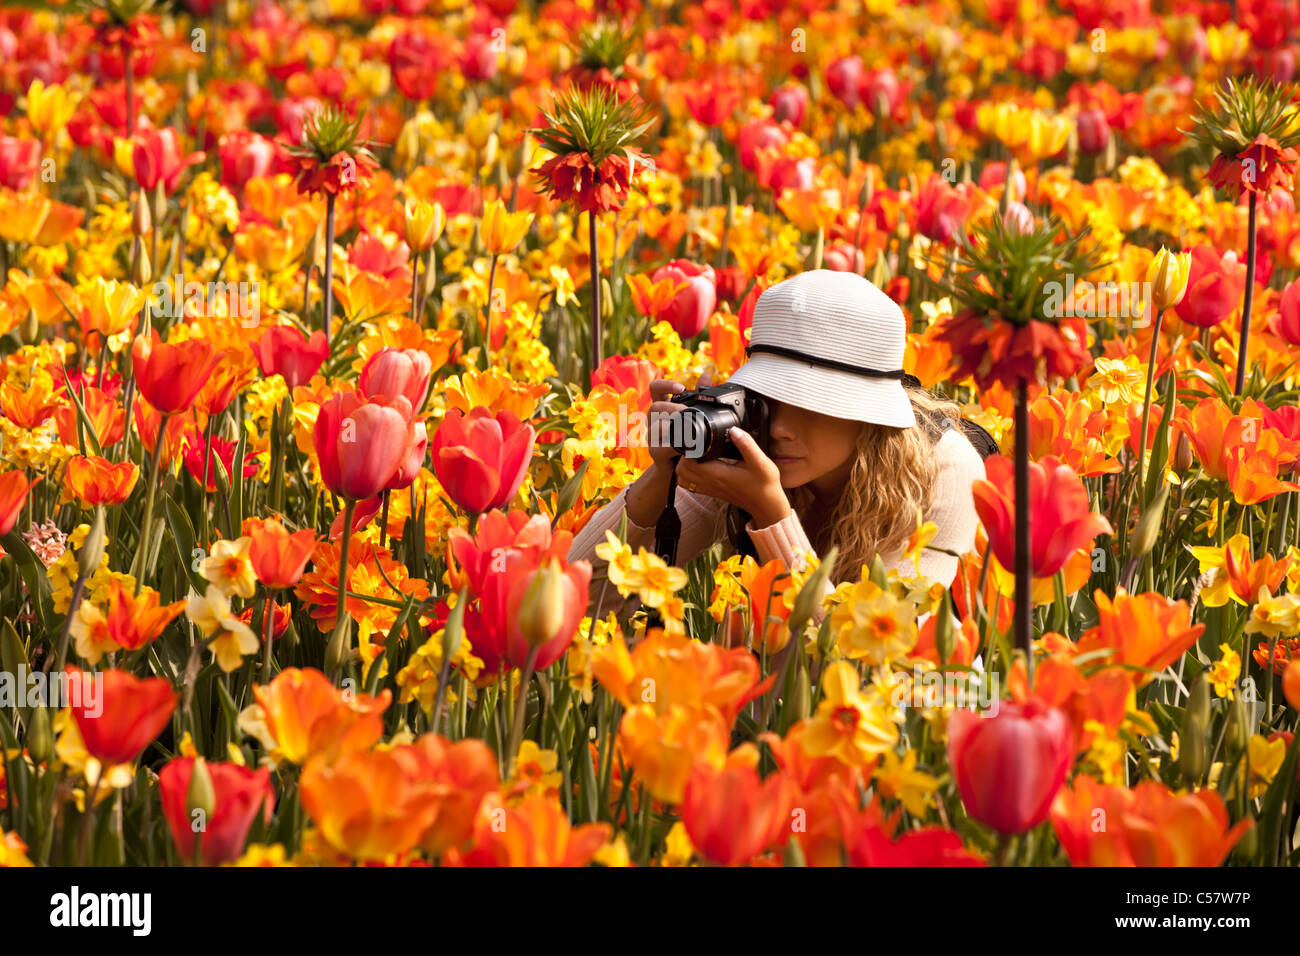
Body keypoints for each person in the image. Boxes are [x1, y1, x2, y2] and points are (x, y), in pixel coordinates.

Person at [567, 268, 986, 629]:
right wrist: (663, 476)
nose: (781, 427)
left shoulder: (946, 470)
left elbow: (876, 663)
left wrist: (772, 515)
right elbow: (579, 603)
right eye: (768, 397)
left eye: (812, 403)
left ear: (868, 414)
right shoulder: (750, 434)